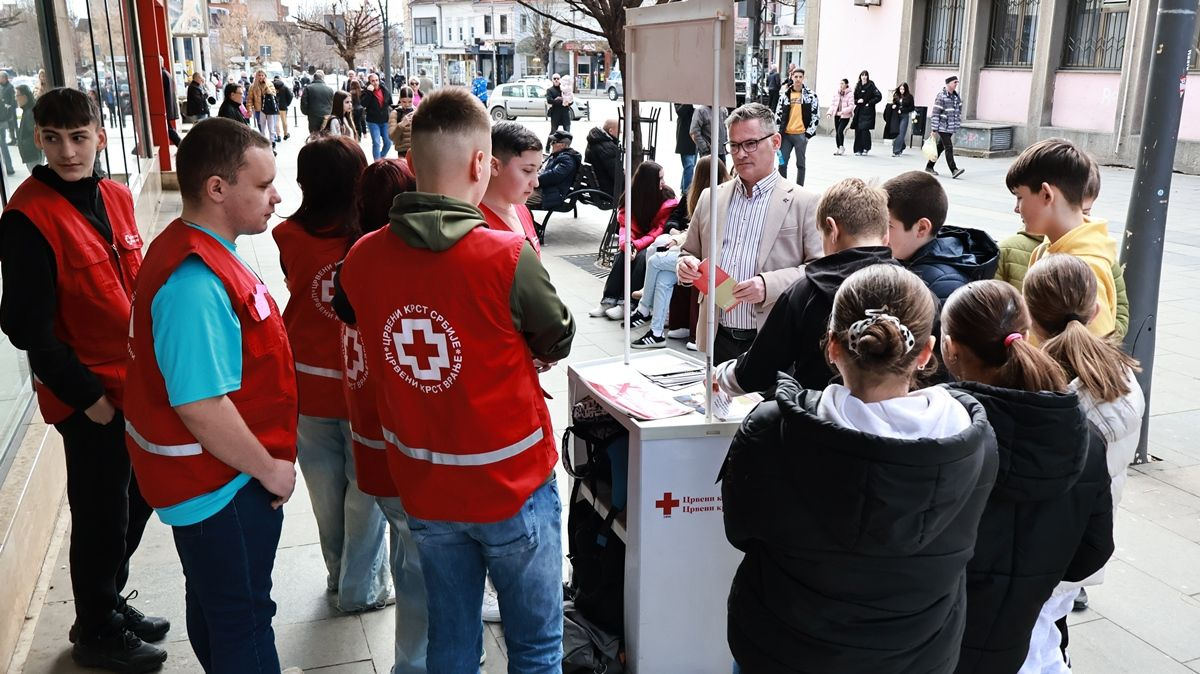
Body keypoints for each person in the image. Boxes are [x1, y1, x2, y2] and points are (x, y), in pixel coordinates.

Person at [335, 86, 575, 673]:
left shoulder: (363, 258)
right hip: (512, 487)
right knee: (537, 648)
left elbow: (354, 312)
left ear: (412, 162)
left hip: (427, 488)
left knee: (450, 642)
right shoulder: (506, 255)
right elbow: (558, 336)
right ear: (479, 163)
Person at [721, 263, 999, 673]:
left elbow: (740, 531)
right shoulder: (972, 442)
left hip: (785, 647)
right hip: (916, 654)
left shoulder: (772, 430)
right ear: (926, 353)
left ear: (832, 346)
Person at [0, 87, 168, 673]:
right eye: (53, 138)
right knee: (101, 514)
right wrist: (87, 398)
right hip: (91, 398)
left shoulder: (116, 196)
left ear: (100, 133)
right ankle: (96, 630)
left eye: (78, 136)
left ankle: (106, 600)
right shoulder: (26, 219)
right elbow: (27, 329)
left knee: (139, 498)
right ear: (38, 140)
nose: (68, 151)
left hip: (135, 388)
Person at [123, 118, 297, 673]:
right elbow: (200, 406)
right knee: (241, 620)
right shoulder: (195, 282)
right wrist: (270, 471)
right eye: (264, 184)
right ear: (217, 189)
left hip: (212, 481)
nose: (277, 197)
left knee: (216, 606)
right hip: (221, 487)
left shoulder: (198, 249)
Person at [940, 279, 1114, 674]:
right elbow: (1093, 551)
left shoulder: (945, 435)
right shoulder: (1086, 439)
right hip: (1017, 639)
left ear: (950, 348)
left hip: (939, 638)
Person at [271, 135, 390, 615]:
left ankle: (338, 576)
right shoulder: (369, 239)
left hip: (305, 379)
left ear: (304, 182)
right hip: (360, 386)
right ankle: (360, 588)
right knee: (366, 493)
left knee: (324, 491)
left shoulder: (286, 236)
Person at [342, 157, 431, 671]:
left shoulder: (352, 264)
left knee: (404, 551)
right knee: (419, 568)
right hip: (402, 448)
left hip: (371, 441)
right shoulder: (394, 270)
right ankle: (414, 665)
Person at [1024, 253, 1144, 627]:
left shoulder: (1039, 390)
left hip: (1038, 554)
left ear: (1028, 315)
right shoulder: (1124, 377)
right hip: (1087, 540)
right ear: (1094, 310)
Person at [716, 177, 895, 395]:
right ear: (886, 235)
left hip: (818, 419)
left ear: (832, 229)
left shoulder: (806, 292)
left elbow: (757, 371)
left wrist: (719, 376)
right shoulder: (917, 290)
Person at [676, 102, 823, 363]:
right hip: (717, 336)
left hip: (773, 340)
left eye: (751, 143)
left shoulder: (805, 202)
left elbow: (818, 270)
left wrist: (769, 285)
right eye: (734, 146)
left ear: (776, 142)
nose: (741, 153)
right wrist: (685, 266)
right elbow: (689, 251)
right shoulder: (711, 197)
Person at [995, 160, 1130, 338]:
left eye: (1020, 196)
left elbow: (1094, 356)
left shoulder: (1089, 266)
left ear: (1046, 195)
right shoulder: (1047, 246)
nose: (1016, 208)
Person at [638, 155, 729, 350]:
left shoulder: (722, 197)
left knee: (655, 260)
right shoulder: (695, 194)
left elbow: (698, 232)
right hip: (689, 251)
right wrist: (675, 233)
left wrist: (676, 238)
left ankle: (644, 307)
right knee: (663, 278)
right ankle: (656, 332)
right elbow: (678, 220)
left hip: (706, 258)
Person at [883, 170, 998, 303]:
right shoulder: (905, 258)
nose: (880, 232)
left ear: (922, 228)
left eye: (888, 225)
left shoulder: (944, 286)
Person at [588, 161, 678, 327]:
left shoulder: (667, 199)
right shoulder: (631, 197)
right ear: (649, 182)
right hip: (636, 240)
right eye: (660, 178)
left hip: (654, 243)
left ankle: (628, 303)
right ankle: (608, 300)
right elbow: (626, 226)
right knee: (622, 254)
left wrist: (636, 245)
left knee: (643, 258)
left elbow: (658, 230)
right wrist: (628, 244)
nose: (663, 182)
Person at [481, 121, 543, 255]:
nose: (536, 182)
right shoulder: (478, 225)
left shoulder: (522, 209)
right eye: (527, 170)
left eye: (538, 170)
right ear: (494, 165)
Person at [773, 67, 819, 185]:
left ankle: (800, 189)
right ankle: (782, 186)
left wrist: (808, 135)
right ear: (791, 77)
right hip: (786, 135)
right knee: (782, 163)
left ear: (803, 78)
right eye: (795, 77)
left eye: (800, 77)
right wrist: (778, 133)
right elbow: (777, 115)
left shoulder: (811, 96)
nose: (798, 79)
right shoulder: (784, 95)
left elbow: (815, 115)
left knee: (801, 164)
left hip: (801, 135)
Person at [526, 129, 580, 210]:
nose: (551, 144)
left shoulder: (567, 159)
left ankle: (523, 222)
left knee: (515, 198)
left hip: (550, 195)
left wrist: (532, 180)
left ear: (563, 145)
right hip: (545, 190)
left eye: (554, 142)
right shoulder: (558, 155)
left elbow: (554, 176)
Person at [926, 75, 965, 178]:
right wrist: (934, 129)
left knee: (940, 147)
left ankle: (929, 166)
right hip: (942, 126)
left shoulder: (956, 96)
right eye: (954, 82)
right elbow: (935, 113)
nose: (956, 84)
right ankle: (954, 170)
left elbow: (958, 110)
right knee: (948, 147)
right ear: (948, 84)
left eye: (957, 82)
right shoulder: (941, 96)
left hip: (951, 127)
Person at [584, 118, 621, 197]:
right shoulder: (607, 147)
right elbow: (617, 175)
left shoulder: (594, 141)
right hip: (607, 191)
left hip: (596, 187)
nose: (621, 133)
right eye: (619, 130)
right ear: (610, 131)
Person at [361, 72, 393, 160]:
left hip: (385, 120)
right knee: (376, 143)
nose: (375, 82)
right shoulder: (366, 91)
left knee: (388, 142)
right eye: (372, 81)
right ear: (369, 82)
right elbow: (363, 104)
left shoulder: (384, 89)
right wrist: (369, 92)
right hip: (373, 121)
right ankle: (377, 162)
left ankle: (381, 157)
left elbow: (390, 101)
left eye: (376, 80)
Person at [852, 69, 881, 156]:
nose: (864, 77)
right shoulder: (858, 86)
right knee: (858, 130)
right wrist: (857, 101)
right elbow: (854, 98)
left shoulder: (871, 85)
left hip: (868, 111)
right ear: (860, 77)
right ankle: (858, 149)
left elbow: (878, 96)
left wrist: (869, 103)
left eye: (865, 75)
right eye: (862, 75)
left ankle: (866, 147)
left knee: (865, 130)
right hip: (859, 110)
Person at [247, 70, 279, 149]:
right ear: (256, 76)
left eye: (262, 75)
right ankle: (263, 142)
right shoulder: (252, 86)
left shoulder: (269, 84)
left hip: (269, 109)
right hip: (259, 109)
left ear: (265, 76)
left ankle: (273, 142)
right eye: (259, 75)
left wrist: (266, 86)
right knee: (261, 127)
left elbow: (273, 94)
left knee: (271, 127)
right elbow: (249, 99)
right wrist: (249, 109)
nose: (261, 77)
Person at [14, 85, 42, 171]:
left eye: (17, 95)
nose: (16, 98)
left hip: (32, 153)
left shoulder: (30, 113)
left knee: (36, 178)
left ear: (24, 97)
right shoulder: (27, 111)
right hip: (31, 153)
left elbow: (34, 134)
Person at [301, 70, 335, 135]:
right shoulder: (330, 89)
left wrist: (306, 112)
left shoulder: (308, 88)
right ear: (323, 78)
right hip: (327, 115)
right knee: (325, 135)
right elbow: (332, 102)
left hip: (313, 115)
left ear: (314, 78)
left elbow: (304, 102)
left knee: (314, 135)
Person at [886, 82, 915, 156]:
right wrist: (894, 106)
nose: (902, 90)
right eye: (901, 89)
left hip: (904, 116)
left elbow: (912, 108)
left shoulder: (909, 97)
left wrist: (902, 110)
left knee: (901, 132)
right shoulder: (896, 96)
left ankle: (896, 151)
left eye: (903, 89)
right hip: (896, 116)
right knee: (896, 131)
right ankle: (902, 145)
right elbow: (894, 103)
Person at [827, 78, 854, 156]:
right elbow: (833, 104)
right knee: (837, 132)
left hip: (845, 116)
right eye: (840, 83)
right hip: (836, 115)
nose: (841, 85)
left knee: (840, 131)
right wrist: (829, 113)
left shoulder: (850, 94)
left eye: (842, 83)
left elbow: (851, 106)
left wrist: (842, 111)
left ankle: (841, 147)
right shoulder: (837, 93)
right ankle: (838, 147)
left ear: (846, 84)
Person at [675, 103, 697, 194]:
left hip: (695, 135)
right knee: (689, 165)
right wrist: (689, 101)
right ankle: (686, 191)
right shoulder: (680, 97)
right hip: (685, 136)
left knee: (691, 165)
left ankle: (684, 187)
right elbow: (680, 112)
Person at [388, 86, 416, 157]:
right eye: (404, 102)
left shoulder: (417, 111)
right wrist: (402, 124)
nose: (407, 104)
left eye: (410, 102)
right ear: (400, 99)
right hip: (402, 151)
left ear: (413, 99)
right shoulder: (395, 113)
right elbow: (392, 137)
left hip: (416, 150)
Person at [160, 57, 182, 146]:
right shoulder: (167, 74)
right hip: (169, 107)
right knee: (169, 129)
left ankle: (182, 146)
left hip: (166, 107)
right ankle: (181, 145)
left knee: (169, 129)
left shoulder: (162, 74)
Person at [1, 71, 19, 145]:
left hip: (10, 109)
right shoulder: (1, 86)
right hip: (3, 110)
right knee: (8, 125)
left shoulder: (10, 87)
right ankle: (12, 139)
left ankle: (17, 139)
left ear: (5, 78)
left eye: (0, 77)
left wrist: (11, 107)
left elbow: (13, 99)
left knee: (13, 124)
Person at [273, 76, 293, 141]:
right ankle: (285, 134)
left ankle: (278, 136)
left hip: (275, 106)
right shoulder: (284, 87)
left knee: (276, 122)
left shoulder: (272, 87)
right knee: (284, 121)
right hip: (283, 107)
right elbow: (290, 96)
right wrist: (287, 103)